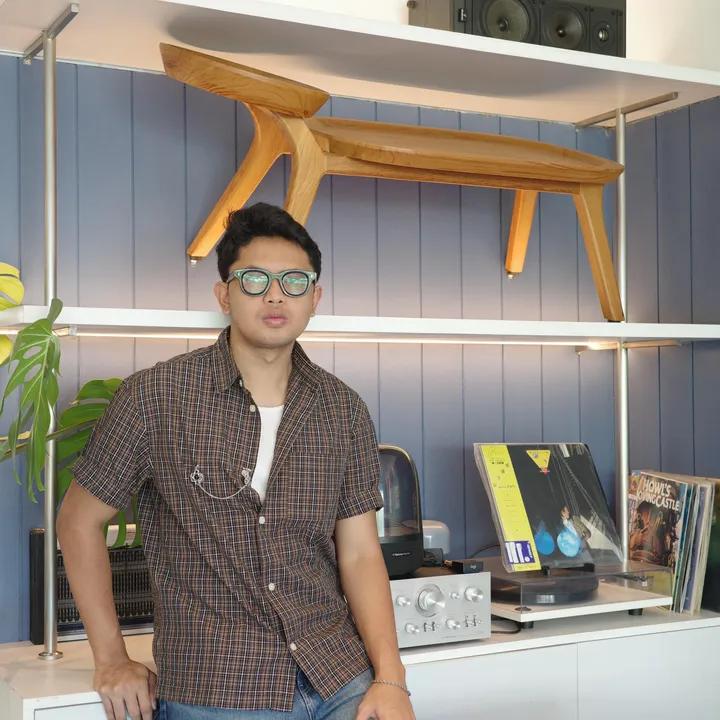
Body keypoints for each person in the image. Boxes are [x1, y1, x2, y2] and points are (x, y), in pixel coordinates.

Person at [56, 202, 415, 720]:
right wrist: (111, 658)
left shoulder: (343, 408)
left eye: (294, 281)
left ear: (314, 299)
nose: (275, 295)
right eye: (254, 279)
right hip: (219, 685)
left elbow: (359, 553)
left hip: (339, 675)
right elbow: (77, 521)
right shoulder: (155, 396)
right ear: (224, 294)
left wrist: (390, 676)